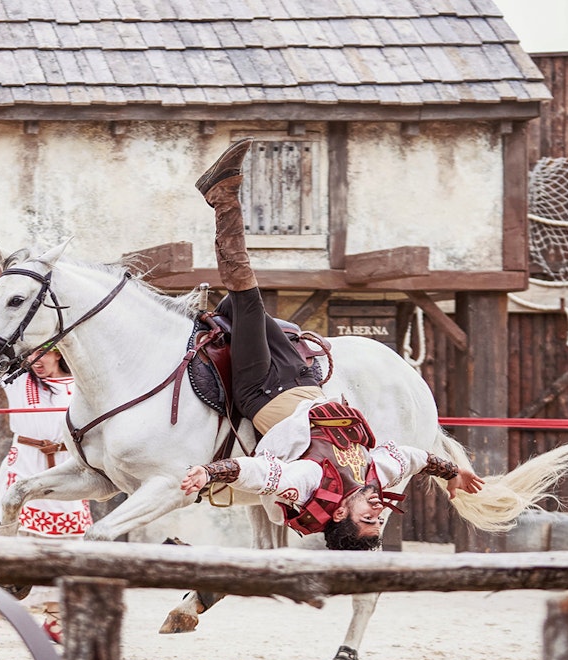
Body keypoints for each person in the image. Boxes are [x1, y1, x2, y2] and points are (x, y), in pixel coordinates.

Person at [183, 138, 484, 550]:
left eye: (368, 520)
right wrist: (453, 473)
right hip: (305, 379)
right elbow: (417, 457)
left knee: (245, 297)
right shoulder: (375, 473)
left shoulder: (307, 482)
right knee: (237, 309)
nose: (378, 511)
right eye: (380, 520)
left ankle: (222, 198)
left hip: (262, 391)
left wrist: (208, 474)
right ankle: (218, 217)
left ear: (340, 513)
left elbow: (256, 473)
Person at [0, 346, 92, 648]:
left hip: (64, 467)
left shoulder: (79, 385)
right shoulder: (15, 379)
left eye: (44, 356)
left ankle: (54, 619)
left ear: (58, 355)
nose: (36, 363)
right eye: (32, 357)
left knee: (61, 547)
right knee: (4, 542)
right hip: (23, 462)